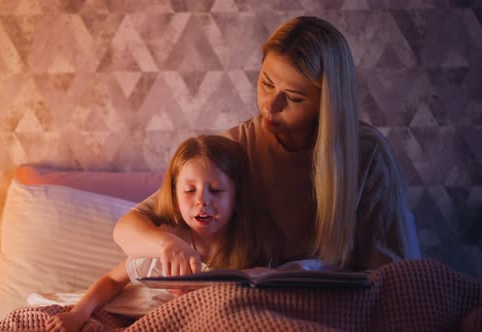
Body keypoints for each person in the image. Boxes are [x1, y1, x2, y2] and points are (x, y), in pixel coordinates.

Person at [113, 16, 421, 275]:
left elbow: (394, 272)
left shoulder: (369, 155)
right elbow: (127, 227)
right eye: (267, 84)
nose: (270, 106)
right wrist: (168, 244)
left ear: (326, 103)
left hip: (340, 307)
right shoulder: (236, 146)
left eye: (295, 97)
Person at [45, 135, 259, 332]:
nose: (202, 201)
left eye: (216, 190)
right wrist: (78, 314)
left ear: (237, 199)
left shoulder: (250, 250)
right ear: (175, 199)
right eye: (190, 190)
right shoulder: (164, 243)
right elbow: (112, 280)